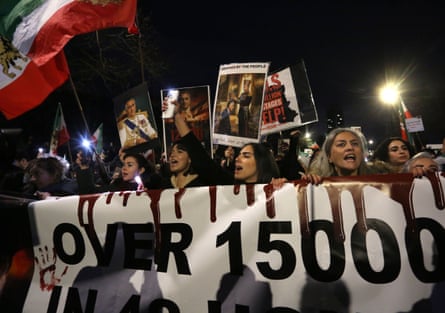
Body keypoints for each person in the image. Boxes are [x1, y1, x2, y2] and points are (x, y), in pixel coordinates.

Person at [163, 98, 284, 187]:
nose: (237, 158)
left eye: (246, 155)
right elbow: (199, 155)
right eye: (239, 154)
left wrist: (283, 189)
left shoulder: (276, 190)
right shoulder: (228, 186)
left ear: (261, 162)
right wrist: (177, 116)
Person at [304, 127, 377, 184]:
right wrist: (308, 183)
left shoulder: (379, 182)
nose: (350, 147)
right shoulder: (318, 184)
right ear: (329, 157)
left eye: (355, 144)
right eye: (341, 144)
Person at [76, 151, 161, 194]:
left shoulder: (151, 187)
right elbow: (91, 193)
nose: (124, 168)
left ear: (141, 170)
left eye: (130, 165)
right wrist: (84, 167)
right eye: (123, 164)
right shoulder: (118, 187)